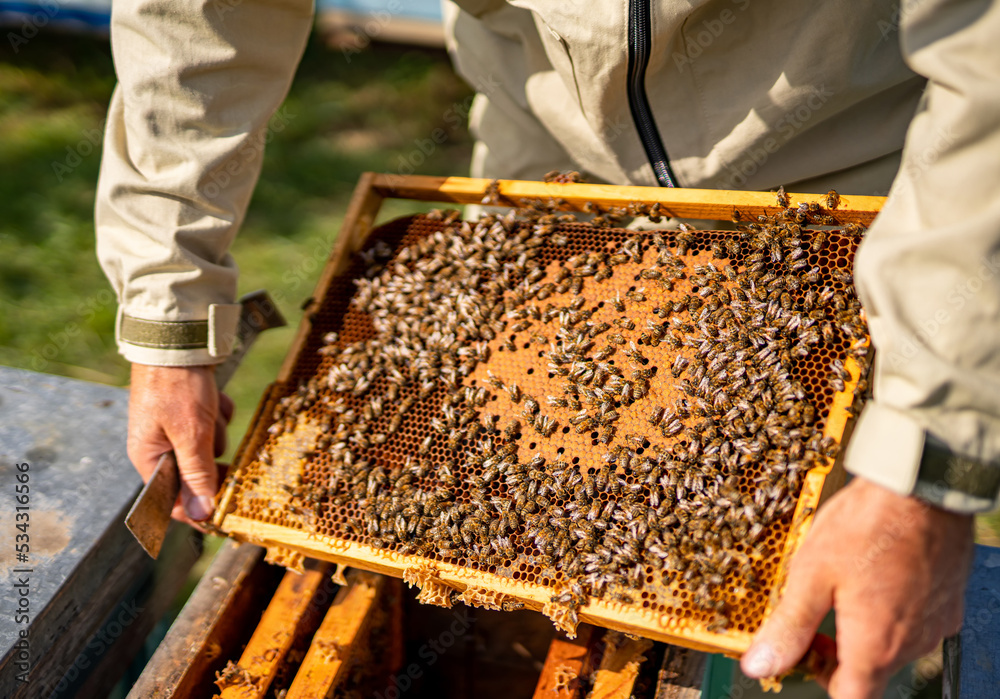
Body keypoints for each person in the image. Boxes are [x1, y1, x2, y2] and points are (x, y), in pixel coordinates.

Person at [96, 1, 999, 696]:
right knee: (479, 516)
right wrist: (167, 296)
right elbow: (202, 15)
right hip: (544, 175)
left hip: (848, 198)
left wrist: (930, 454)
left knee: (806, 615)